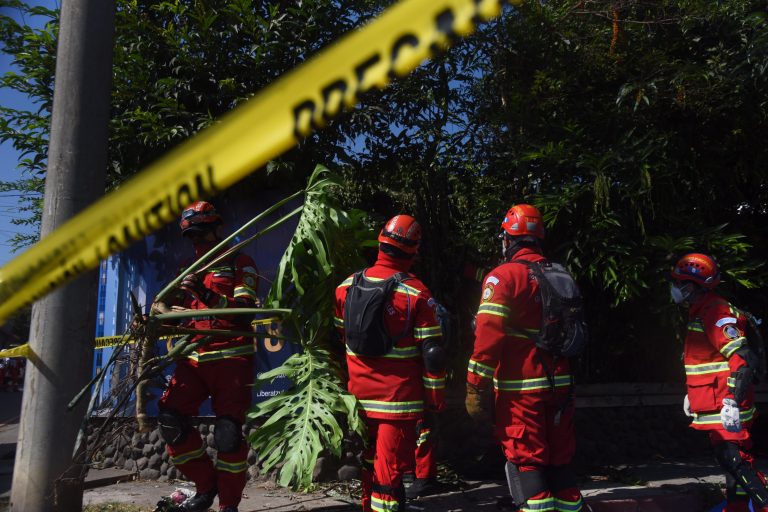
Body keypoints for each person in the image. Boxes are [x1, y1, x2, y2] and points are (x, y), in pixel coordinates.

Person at [466, 204, 585, 512]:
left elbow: (487, 336)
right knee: (560, 463)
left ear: (508, 239)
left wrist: (475, 385)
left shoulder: (503, 277)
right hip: (561, 385)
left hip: (521, 389)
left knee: (527, 463)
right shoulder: (560, 273)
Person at [152, 201, 259, 512]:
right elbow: (173, 313)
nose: (197, 242)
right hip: (193, 359)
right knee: (170, 421)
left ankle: (228, 505)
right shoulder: (185, 271)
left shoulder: (242, 263)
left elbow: (245, 315)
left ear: (218, 229)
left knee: (227, 435)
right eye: (192, 237)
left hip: (231, 361)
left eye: (201, 234)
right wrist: (155, 320)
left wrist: (207, 293)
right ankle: (205, 486)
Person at [335, 214, 447, 512]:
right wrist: (435, 399)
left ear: (381, 241)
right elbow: (433, 355)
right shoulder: (415, 292)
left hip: (359, 398)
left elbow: (340, 338)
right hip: (397, 402)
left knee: (371, 464)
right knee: (389, 475)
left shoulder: (345, 287)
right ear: (413, 250)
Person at [670, 253, 768, 512]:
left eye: (680, 283)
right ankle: (736, 507)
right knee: (730, 462)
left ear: (692, 286)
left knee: (734, 459)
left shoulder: (715, 311)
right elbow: (706, 360)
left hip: (726, 401)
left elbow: (742, 359)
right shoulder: (702, 311)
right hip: (714, 400)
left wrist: (733, 402)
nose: (676, 288)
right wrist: (692, 393)